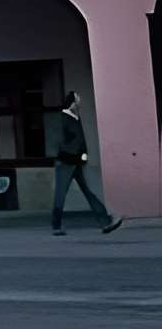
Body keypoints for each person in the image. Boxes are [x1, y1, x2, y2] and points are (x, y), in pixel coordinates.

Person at [47, 91, 124, 235]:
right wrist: (75, 153)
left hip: (76, 162)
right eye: (77, 101)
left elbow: (80, 139)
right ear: (72, 103)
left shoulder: (75, 117)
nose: (79, 103)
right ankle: (56, 227)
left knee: (89, 191)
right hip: (65, 162)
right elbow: (60, 141)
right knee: (60, 195)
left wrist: (83, 155)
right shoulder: (62, 118)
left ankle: (106, 222)